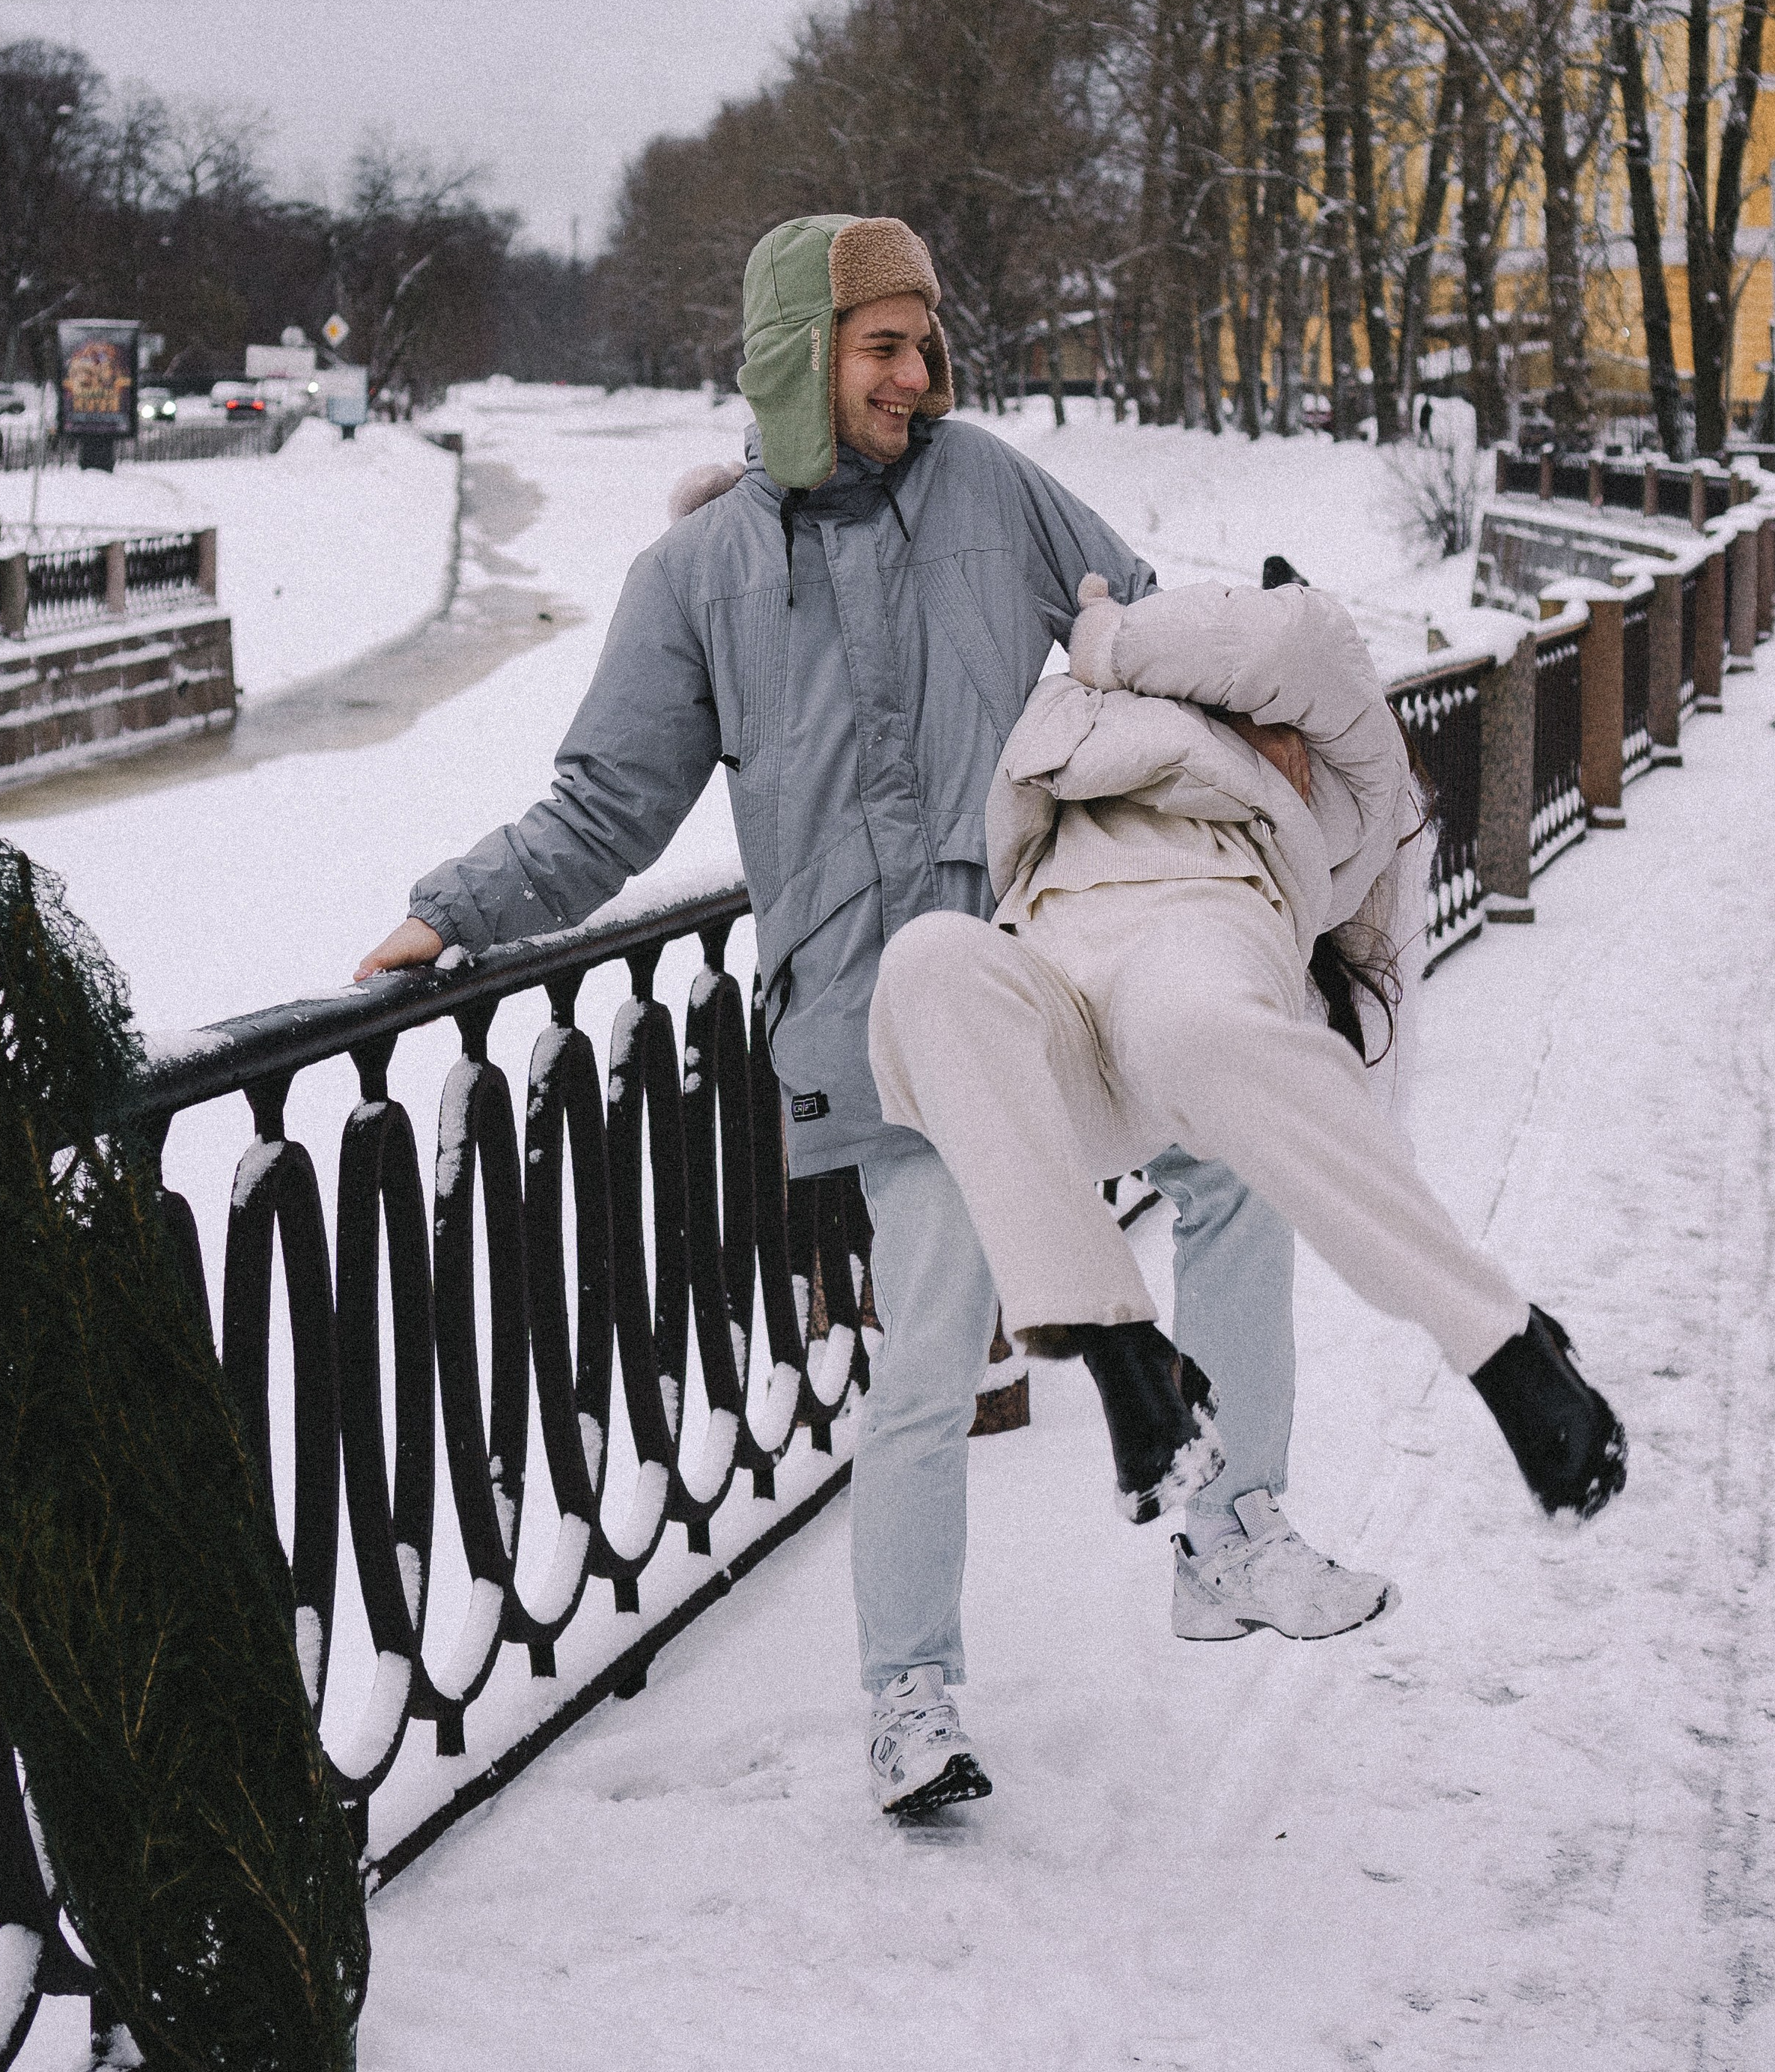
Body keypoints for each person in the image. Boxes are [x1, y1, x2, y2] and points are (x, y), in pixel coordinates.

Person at [356, 214, 1395, 1824]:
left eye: (927, 344)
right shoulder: (695, 578)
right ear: (797, 361)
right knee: (924, 1357)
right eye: (882, 348)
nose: (919, 374)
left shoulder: (991, 489)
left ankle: (1228, 1529)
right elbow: (610, 801)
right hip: (876, 1028)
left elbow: (1147, 636)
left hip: (1061, 975)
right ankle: (908, 1698)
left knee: (1234, 1172)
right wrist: (453, 911)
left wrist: (1261, 727)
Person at [868, 570, 1630, 1537]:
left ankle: (1505, 1347)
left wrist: (1103, 635)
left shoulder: (1341, 712)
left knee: (1195, 1027)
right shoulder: (1107, 704)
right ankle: (1122, 1348)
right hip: (1053, 975)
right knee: (927, 960)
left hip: (1195, 922)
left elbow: (1284, 645)